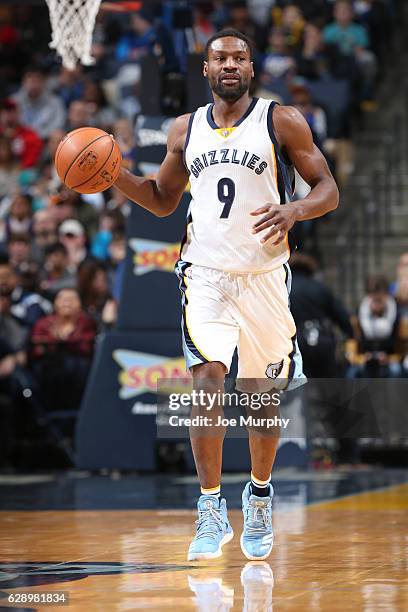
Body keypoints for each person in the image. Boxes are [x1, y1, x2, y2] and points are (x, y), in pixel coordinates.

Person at [114, 29, 339, 561]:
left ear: (252, 69)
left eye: (240, 57)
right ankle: (210, 507)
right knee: (208, 378)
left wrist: (295, 209)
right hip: (205, 274)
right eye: (221, 58)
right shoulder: (183, 129)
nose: (230, 65)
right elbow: (163, 200)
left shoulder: (280, 120)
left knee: (261, 397)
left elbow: (327, 188)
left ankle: (258, 495)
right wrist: (114, 175)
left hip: (264, 275)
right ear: (207, 69)